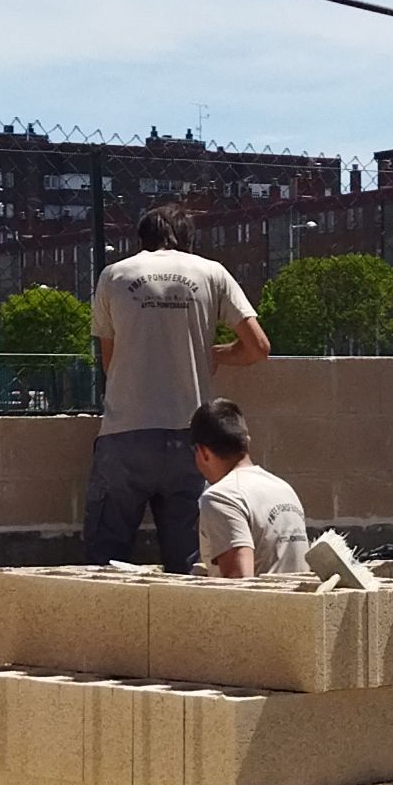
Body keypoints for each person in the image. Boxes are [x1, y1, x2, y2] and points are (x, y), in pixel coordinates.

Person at [85, 210, 269, 571]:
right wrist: (216, 354)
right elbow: (258, 347)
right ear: (187, 238)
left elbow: (109, 361)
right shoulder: (212, 273)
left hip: (126, 436)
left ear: (141, 238)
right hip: (193, 439)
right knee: (189, 562)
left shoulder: (115, 275)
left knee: (105, 560)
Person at [189, 398, 309, 580]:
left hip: (263, 607)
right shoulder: (283, 488)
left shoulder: (222, 497)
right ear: (247, 442)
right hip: (300, 605)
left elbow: (239, 583)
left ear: (203, 452)